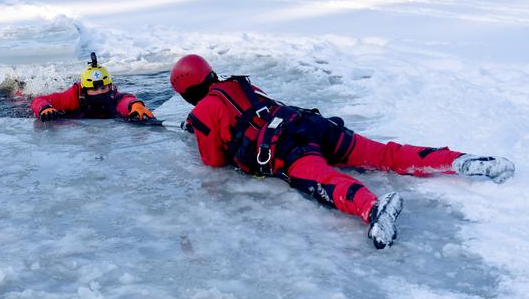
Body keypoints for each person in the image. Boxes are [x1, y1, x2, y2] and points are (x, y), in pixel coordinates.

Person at [169, 54, 515, 249]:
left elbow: (212, 161)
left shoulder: (201, 113)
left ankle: (373, 209)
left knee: (324, 179)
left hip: (287, 147)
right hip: (312, 124)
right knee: (385, 154)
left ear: (185, 90)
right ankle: (460, 161)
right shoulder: (239, 83)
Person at [31, 53, 154, 122]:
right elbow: (38, 100)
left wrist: (135, 105)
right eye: (94, 89)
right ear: (84, 90)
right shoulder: (72, 96)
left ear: (110, 86)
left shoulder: (113, 95)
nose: (100, 92)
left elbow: (125, 100)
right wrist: (44, 108)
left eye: (103, 88)